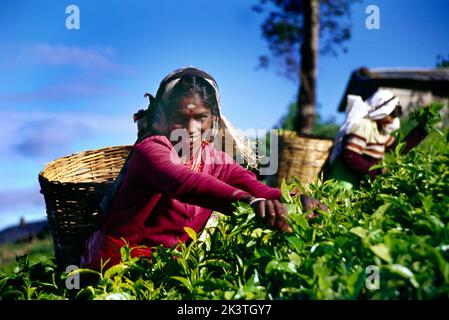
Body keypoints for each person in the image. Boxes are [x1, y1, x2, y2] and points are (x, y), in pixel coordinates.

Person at [81, 67, 327, 271]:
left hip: (167, 269)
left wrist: (296, 200)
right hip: (113, 266)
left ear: (213, 119)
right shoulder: (151, 149)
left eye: (200, 118)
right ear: (163, 118)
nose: (191, 128)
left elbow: (260, 189)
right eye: (180, 117)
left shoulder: (214, 160)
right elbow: (183, 182)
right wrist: (250, 202)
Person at [325, 89, 428, 189]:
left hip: (356, 183)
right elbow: (350, 157)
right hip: (343, 184)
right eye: (391, 115)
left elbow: (399, 148)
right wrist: (376, 171)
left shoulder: (380, 133)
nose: (392, 121)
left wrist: (421, 128)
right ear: (381, 111)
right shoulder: (364, 125)